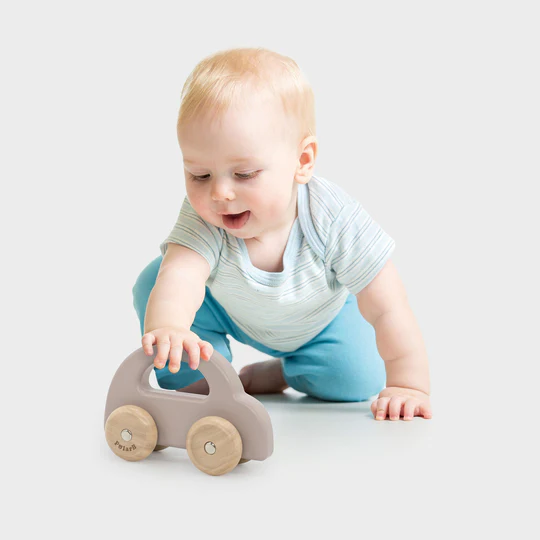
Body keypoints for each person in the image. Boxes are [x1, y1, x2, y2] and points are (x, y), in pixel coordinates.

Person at [132, 47, 432, 421]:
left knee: (356, 378)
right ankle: (203, 382)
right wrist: (170, 327)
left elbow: (389, 305)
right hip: (223, 309)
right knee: (157, 283)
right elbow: (181, 277)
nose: (220, 193)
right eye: (200, 175)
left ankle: (285, 371)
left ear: (302, 161)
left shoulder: (333, 218)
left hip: (317, 321)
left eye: (244, 174)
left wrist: (409, 384)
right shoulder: (205, 215)